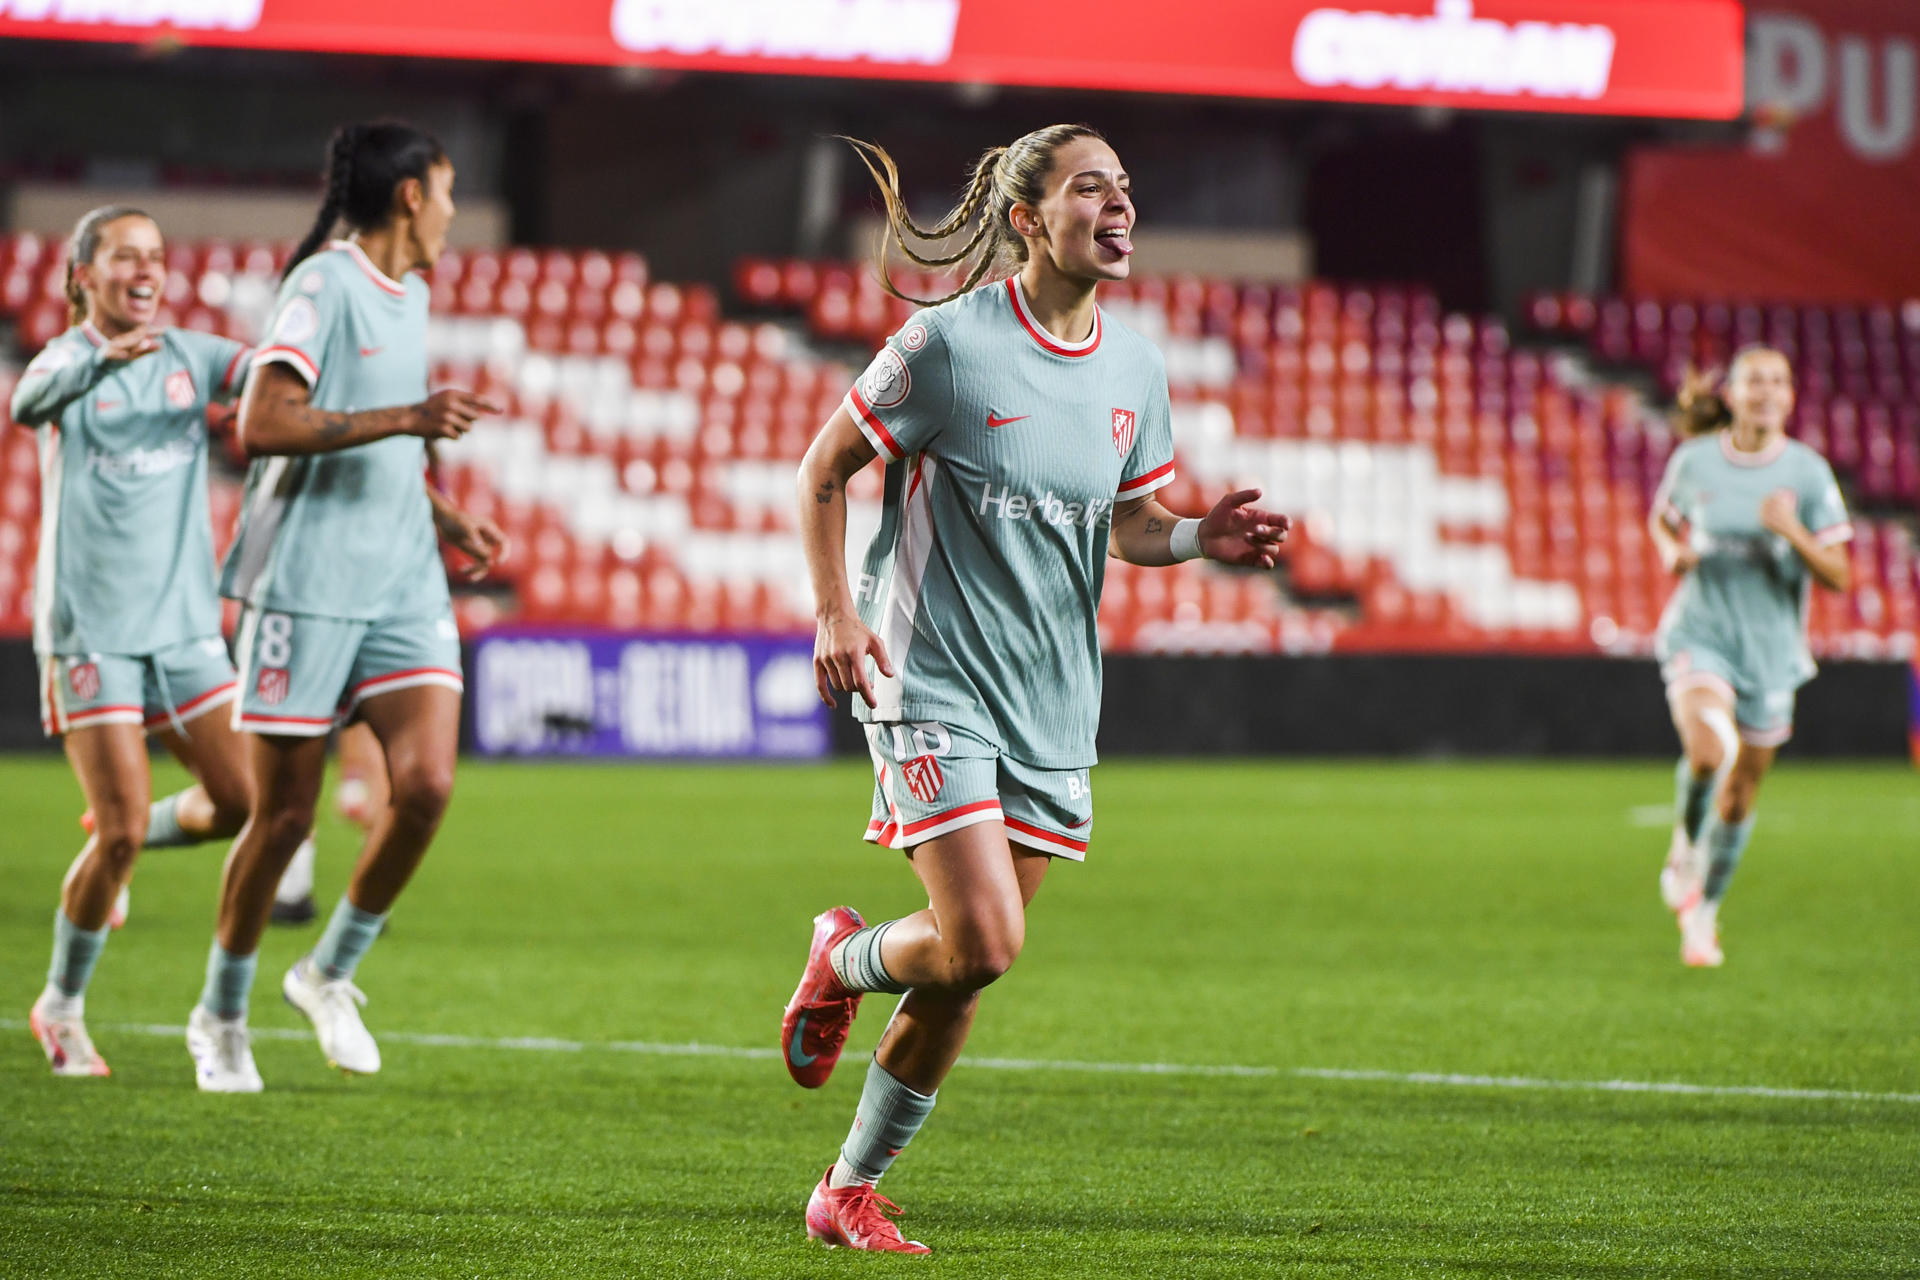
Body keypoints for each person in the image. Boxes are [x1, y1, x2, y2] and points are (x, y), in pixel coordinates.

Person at [781, 125, 1288, 1252]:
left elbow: (1134, 525)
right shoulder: (945, 349)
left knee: (964, 967)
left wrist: (1204, 533)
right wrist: (835, 608)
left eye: (1126, 189)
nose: (1119, 208)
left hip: (1054, 703)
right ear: (1027, 218)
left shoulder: (1134, 369)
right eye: (1090, 189)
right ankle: (844, 958)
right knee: (986, 938)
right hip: (931, 680)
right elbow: (824, 469)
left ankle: (845, 1187)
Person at [185, 120, 505, 1092]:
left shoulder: (409, 298)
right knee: (281, 821)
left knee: (431, 785)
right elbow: (262, 421)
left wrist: (445, 513)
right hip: (310, 584)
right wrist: (410, 417)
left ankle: (327, 970)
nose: (454, 212)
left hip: (403, 576)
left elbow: (384, 449)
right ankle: (220, 1012)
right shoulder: (324, 284)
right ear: (412, 195)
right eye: (448, 192)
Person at [13, 205, 266, 1076]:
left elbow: (269, 371)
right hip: (93, 632)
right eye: (125, 256)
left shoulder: (191, 357)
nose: (145, 270)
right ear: (84, 275)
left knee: (241, 804)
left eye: (156, 256)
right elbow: (26, 401)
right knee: (115, 837)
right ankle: (62, 1006)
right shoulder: (66, 358)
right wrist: (92, 358)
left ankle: (123, 834)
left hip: (186, 630)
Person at [1650, 350, 1852, 967]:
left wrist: (1792, 533)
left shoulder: (1808, 473)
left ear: (1790, 397)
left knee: (1740, 796)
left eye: (1777, 380)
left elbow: (1840, 574)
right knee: (1710, 751)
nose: (1766, 390)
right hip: (1700, 632)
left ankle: (1704, 913)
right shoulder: (1695, 462)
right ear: (1731, 395)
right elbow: (1662, 521)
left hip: (1769, 652)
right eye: (1753, 380)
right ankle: (1686, 840)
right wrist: (1670, 552)